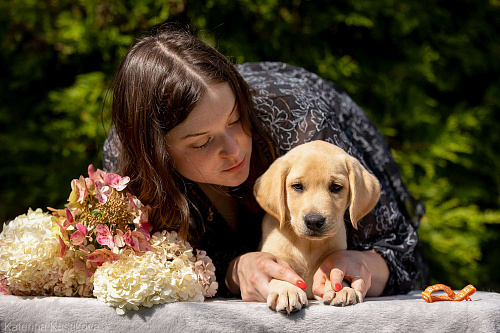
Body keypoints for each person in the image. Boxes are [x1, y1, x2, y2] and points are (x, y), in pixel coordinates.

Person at [103, 24, 427, 301]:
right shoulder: (128, 175)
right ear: (157, 153)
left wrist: (361, 264)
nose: (234, 149)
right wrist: (235, 271)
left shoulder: (301, 125)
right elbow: (162, 271)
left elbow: (403, 254)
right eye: (203, 142)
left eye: (235, 119)